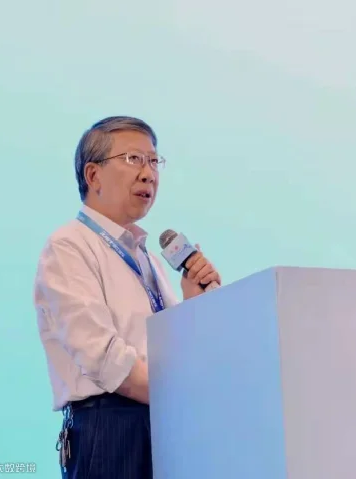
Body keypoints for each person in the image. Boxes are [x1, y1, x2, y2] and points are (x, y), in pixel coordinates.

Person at [33, 116, 221, 478]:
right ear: (93, 175)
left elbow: (171, 354)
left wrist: (194, 304)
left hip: (165, 419)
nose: (148, 174)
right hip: (110, 428)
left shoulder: (149, 258)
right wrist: (183, 397)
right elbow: (103, 358)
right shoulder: (69, 245)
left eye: (154, 161)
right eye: (134, 159)